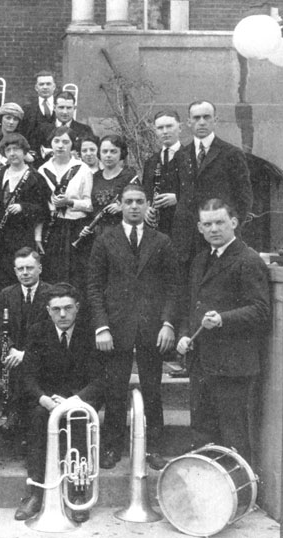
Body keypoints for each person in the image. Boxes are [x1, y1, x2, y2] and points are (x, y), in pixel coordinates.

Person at [87, 183, 181, 470]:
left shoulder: (161, 240)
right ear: (120, 204)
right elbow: (93, 286)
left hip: (152, 328)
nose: (134, 207)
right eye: (128, 201)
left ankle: (154, 448)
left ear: (148, 205)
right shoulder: (105, 239)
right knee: (115, 388)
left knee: (152, 388)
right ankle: (112, 447)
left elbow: (173, 287)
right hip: (116, 328)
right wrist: (101, 326)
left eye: (140, 201)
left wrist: (167, 324)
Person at [176, 198, 270, 465]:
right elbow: (192, 305)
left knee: (234, 438)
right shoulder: (200, 260)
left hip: (233, 367)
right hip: (202, 364)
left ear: (234, 223)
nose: (214, 228)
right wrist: (184, 333)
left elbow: (261, 311)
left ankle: (237, 500)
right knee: (203, 434)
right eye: (207, 224)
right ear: (199, 227)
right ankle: (210, 499)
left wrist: (222, 319)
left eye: (219, 222)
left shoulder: (248, 260)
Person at [14, 282, 106, 522]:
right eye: (56, 309)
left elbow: (100, 379)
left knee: (78, 418)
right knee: (36, 417)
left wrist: (74, 400)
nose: (62, 314)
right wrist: (44, 399)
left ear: (77, 307)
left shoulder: (89, 332)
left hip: (78, 399)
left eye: (67, 308)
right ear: (47, 310)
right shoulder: (37, 331)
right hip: (47, 400)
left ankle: (77, 492)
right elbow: (27, 375)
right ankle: (35, 491)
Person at [175, 101, 252, 268]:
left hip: (219, 239)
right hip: (188, 242)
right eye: (196, 118)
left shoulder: (231, 153)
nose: (201, 122)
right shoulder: (181, 155)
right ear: (188, 122)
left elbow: (244, 198)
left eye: (206, 117)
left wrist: (228, 231)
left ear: (215, 120)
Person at [0, 247, 53, 438]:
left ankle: (16, 414)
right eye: (20, 269)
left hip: (43, 354)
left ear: (40, 269)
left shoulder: (51, 293)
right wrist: (10, 347)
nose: (25, 273)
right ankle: (16, 415)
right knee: (15, 364)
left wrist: (26, 354)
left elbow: (51, 332)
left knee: (26, 365)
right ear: (15, 271)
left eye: (29, 268)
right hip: (14, 353)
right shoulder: (6, 294)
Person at [36, 126, 92, 290]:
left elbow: (89, 205)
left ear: (72, 145)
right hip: (52, 228)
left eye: (65, 142)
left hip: (75, 228)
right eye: (57, 141)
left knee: (75, 275)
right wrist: (38, 236)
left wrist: (70, 202)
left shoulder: (82, 169)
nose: (60, 146)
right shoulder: (43, 170)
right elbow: (41, 208)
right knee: (52, 273)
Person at [0, 133, 48, 287]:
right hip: (0, 237)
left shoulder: (35, 177)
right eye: (8, 150)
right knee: (0, 276)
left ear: (24, 152)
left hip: (23, 235)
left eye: (16, 149)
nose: (12, 153)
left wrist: (23, 207)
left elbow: (44, 210)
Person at [78, 135, 138, 245]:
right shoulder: (94, 177)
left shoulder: (130, 177)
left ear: (121, 153)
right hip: (97, 235)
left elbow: (139, 205)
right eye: (104, 151)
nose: (108, 155)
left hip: (122, 234)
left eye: (113, 151)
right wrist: (86, 227)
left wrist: (123, 207)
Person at [143, 110, 184, 239]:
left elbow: (201, 192)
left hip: (182, 228)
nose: (165, 131)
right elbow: (146, 191)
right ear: (155, 131)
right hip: (156, 229)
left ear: (180, 128)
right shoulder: (151, 161)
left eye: (169, 126)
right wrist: (145, 209)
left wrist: (178, 198)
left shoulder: (191, 158)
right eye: (160, 128)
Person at [34, 90, 94, 157]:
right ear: (54, 108)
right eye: (61, 107)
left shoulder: (85, 130)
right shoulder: (42, 129)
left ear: (74, 108)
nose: (65, 112)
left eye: (69, 108)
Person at [21, 70, 56, 149]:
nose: (45, 87)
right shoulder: (27, 110)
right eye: (41, 84)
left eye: (48, 84)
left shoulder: (62, 106)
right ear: (36, 88)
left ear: (54, 87)